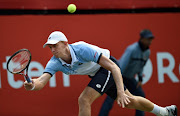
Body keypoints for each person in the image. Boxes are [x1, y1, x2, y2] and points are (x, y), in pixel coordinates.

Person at [24, 31, 177, 116]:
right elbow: (41, 82)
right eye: (50, 47)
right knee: (131, 102)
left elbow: (114, 67)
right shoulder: (55, 62)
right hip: (98, 73)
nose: (52, 50)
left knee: (83, 100)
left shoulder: (82, 49)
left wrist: (119, 91)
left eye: (55, 46)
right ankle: (164, 112)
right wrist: (32, 85)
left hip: (108, 68)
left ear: (65, 44)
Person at [99, 29, 155, 116]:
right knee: (110, 99)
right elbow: (121, 65)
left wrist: (140, 78)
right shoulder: (131, 49)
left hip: (130, 78)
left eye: (151, 39)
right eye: (148, 39)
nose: (150, 41)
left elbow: (141, 66)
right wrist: (117, 80)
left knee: (140, 94)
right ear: (142, 39)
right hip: (120, 76)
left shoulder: (147, 52)